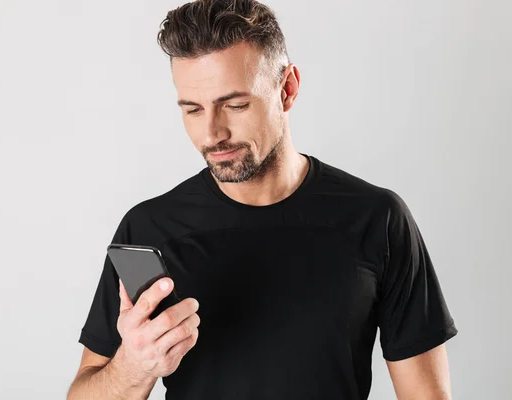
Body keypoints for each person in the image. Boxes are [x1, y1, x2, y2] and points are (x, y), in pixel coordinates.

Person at [67, 0, 458, 399]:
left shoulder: (377, 219)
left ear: (287, 89)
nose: (212, 133)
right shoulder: (150, 228)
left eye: (234, 105)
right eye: (193, 109)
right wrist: (133, 368)